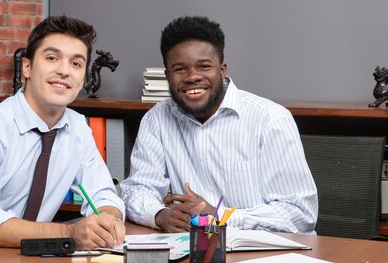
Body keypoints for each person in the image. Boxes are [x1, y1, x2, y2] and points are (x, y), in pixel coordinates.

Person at [0, 15, 125, 256]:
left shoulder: (78, 128)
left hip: (24, 258)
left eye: (76, 64)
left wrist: (107, 219)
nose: (64, 71)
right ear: (27, 67)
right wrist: (69, 233)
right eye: (52, 58)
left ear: (82, 78)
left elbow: (102, 193)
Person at [121, 15, 318, 234]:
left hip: (269, 255)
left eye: (204, 66)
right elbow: (137, 188)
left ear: (222, 70)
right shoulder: (157, 119)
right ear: (168, 76)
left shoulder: (270, 119)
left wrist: (220, 216)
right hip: (194, 252)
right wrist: (160, 215)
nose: (192, 77)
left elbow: (300, 214)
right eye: (180, 69)